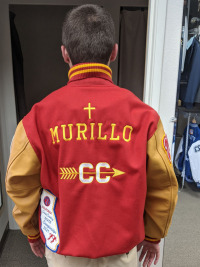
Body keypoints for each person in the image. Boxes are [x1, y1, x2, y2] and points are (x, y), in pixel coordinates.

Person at [6, 4, 178, 267]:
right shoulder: (145, 118)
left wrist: (31, 231)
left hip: (65, 254)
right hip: (122, 254)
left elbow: (19, 182)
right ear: (114, 52)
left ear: (64, 54)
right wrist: (154, 235)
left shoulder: (36, 119)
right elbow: (164, 184)